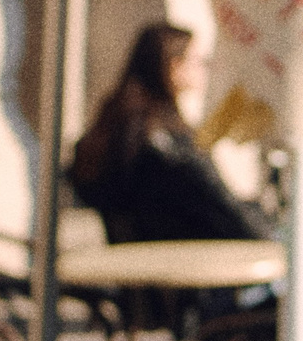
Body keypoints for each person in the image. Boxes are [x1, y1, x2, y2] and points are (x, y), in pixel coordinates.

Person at [71, 23, 269, 244]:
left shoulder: (118, 123)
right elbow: (231, 216)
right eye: (198, 61)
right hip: (194, 260)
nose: (205, 69)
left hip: (139, 259)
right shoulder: (167, 144)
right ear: (174, 68)